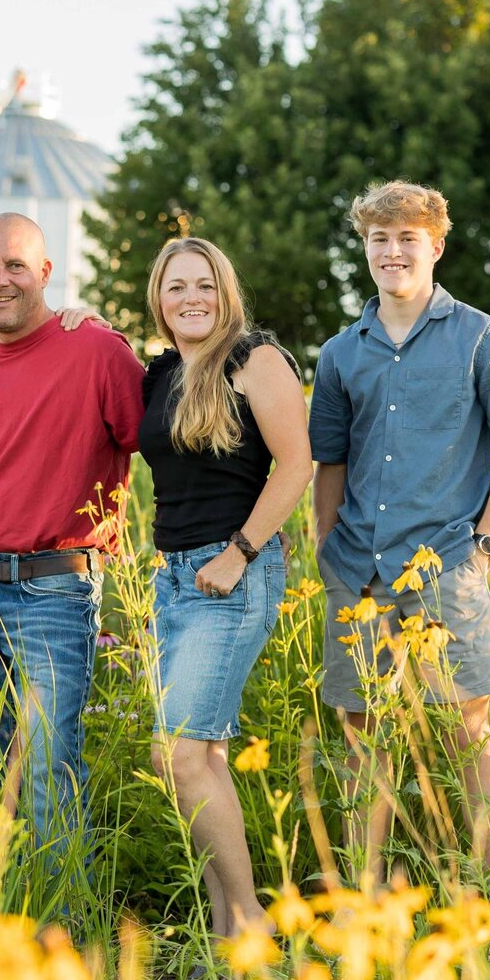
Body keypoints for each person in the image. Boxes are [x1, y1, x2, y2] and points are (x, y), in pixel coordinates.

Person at [309, 181, 490, 902]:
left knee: (469, 742)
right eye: (379, 239)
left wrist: (485, 547)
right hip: (358, 571)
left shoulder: (484, 337)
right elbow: (331, 465)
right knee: (359, 744)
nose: (392, 251)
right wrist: (327, 553)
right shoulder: (341, 354)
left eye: (407, 237)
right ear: (366, 250)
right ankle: (365, 911)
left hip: (447, 571)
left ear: (435, 246)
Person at [0, 212, 145, 887]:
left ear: (45, 272)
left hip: (55, 585)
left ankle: (64, 933)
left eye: (15, 264)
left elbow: (156, 438)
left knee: (47, 763)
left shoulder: (96, 349)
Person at [139, 238, 313, 937]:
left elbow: (297, 465)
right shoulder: (159, 374)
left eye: (204, 285)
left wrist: (241, 551)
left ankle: (249, 919)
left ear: (225, 291)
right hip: (173, 578)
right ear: (159, 297)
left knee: (175, 753)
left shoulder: (254, 359)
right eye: (176, 286)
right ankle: (225, 921)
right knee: (203, 755)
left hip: (231, 574)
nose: (191, 299)